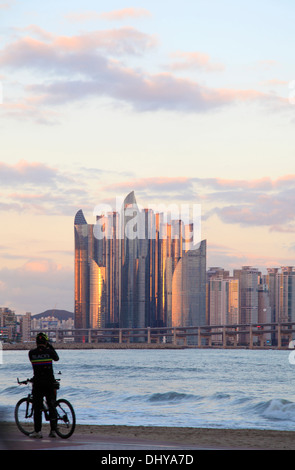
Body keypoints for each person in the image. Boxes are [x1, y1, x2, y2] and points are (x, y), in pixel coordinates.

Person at [28, 332, 59, 438]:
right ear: (46, 342)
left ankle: (38, 432)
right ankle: (53, 431)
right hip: (50, 383)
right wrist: (49, 346)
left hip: (38, 384)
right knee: (51, 406)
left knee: (37, 408)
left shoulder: (31, 353)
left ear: (36, 342)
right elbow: (56, 358)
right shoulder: (49, 351)